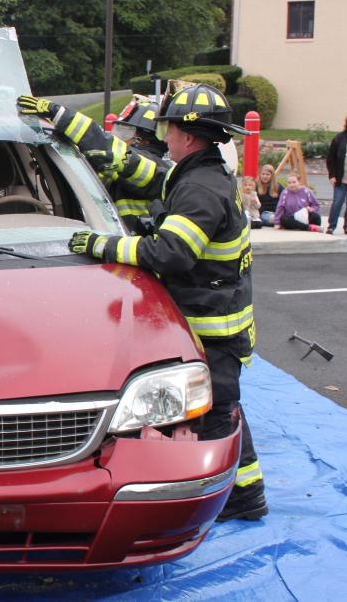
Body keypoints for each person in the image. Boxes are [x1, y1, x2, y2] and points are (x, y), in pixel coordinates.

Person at [18, 83, 267, 522]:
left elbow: (171, 253)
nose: (162, 135)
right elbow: (121, 157)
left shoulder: (200, 190)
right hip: (213, 320)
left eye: (169, 128)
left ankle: (241, 496)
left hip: (214, 326)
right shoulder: (192, 175)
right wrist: (62, 116)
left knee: (219, 414)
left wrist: (104, 245)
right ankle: (244, 491)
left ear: (188, 137)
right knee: (223, 408)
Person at [109, 95, 172, 233]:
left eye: (126, 133)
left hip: (135, 245)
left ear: (144, 139)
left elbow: (124, 160)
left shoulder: (143, 162)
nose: (119, 138)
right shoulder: (163, 165)